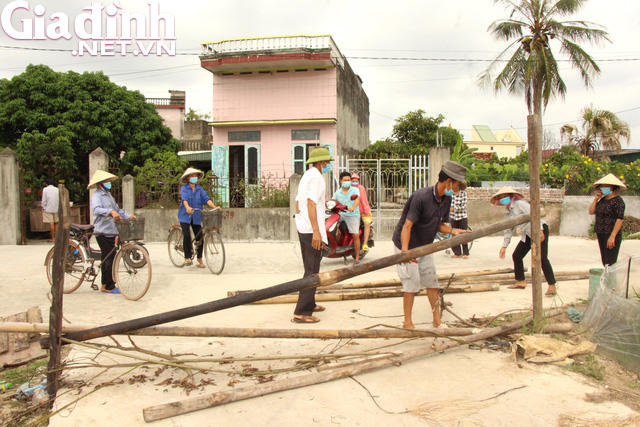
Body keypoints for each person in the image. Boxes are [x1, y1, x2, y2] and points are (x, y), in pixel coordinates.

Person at [392, 161, 470, 329]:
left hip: (426, 246)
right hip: (408, 245)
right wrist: (405, 253)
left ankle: (437, 320)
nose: (457, 189)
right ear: (449, 181)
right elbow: (407, 226)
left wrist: (452, 231)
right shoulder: (421, 197)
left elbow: (439, 224)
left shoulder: (447, 198)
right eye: (457, 185)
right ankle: (407, 322)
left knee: (432, 283)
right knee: (411, 285)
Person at [293, 147, 334, 323]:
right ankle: (301, 312)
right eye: (327, 162)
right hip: (311, 230)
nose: (329, 165)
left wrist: (304, 222)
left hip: (303, 227)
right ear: (321, 163)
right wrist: (316, 231)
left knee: (312, 267)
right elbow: (310, 203)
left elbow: (297, 202)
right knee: (311, 271)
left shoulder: (307, 175)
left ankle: (310, 302)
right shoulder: (317, 177)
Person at [492, 187, 557, 296]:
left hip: (539, 229)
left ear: (511, 196)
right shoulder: (508, 213)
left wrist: (540, 230)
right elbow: (509, 230)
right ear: (498, 200)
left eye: (505, 196)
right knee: (517, 255)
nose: (503, 199)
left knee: (542, 258)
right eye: (501, 197)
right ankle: (521, 281)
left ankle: (552, 286)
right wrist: (504, 246)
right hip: (527, 234)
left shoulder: (520, 204)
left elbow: (535, 215)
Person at [89, 170, 136, 294]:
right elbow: (97, 209)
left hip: (112, 230)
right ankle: (107, 286)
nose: (109, 183)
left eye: (109, 181)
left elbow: (118, 210)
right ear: (100, 184)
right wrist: (110, 212)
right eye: (107, 181)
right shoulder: (97, 196)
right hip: (102, 231)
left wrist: (128, 216)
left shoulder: (109, 195)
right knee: (108, 257)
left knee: (110, 257)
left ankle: (106, 283)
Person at [178, 167, 219, 268]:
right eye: (192, 176)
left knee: (200, 237)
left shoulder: (199, 189)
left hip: (196, 216)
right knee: (187, 235)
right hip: (185, 215)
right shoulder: (184, 189)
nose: (194, 177)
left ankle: (199, 259)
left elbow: (206, 199)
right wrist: (187, 207)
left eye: (195, 176)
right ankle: (187, 258)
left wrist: (214, 207)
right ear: (188, 178)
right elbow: (185, 199)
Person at [589, 174, 626, 266]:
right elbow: (591, 211)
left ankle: (611, 279)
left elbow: (620, 219)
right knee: (605, 261)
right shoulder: (602, 200)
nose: (603, 188)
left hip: (611, 233)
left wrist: (613, 236)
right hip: (601, 232)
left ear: (612, 187)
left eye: (606, 186)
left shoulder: (618, 201)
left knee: (611, 261)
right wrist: (596, 199)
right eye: (602, 186)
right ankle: (607, 279)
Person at [333, 171, 361, 265]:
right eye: (345, 180)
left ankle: (357, 257)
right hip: (341, 214)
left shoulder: (355, 190)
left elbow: (357, 199)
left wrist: (352, 208)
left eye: (348, 180)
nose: (347, 182)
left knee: (355, 235)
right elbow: (333, 201)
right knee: (331, 226)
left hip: (352, 214)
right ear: (341, 181)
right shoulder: (338, 192)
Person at [351, 173, 372, 251]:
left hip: (363, 211)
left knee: (366, 223)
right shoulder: (349, 188)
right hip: (353, 212)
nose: (354, 182)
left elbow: (363, 200)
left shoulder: (361, 188)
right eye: (353, 181)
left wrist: (366, 212)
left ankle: (365, 243)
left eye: (356, 181)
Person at [450, 184, 469, 259]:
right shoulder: (450, 194)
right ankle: (457, 253)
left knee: (464, 234)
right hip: (453, 217)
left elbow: (463, 206)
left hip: (462, 216)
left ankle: (465, 253)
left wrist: (454, 209)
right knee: (454, 234)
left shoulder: (463, 194)